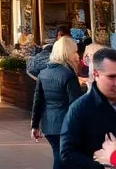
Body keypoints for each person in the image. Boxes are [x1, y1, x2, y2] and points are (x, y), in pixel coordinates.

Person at [60, 48, 116, 169]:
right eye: (112, 77)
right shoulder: (80, 108)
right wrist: (101, 166)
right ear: (95, 74)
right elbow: (67, 153)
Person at [32, 37, 85, 169]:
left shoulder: (43, 73)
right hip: (65, 124)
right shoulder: (68, 75)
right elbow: (75, 104)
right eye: (75, 51)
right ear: (67, 53)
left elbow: (38, 99)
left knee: (59, 155)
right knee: (64, 159)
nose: (77, 55)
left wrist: (34, 125)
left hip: (49, 124)